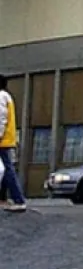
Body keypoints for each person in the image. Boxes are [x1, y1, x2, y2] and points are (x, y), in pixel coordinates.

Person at [0, 75, 26, 212]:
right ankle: (3, 198)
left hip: (2, 140)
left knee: (8, 170)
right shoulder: (7, 96)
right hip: (7, 139)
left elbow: (1, 118)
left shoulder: (0, 97)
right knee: (5, 169)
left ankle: (19, 200)